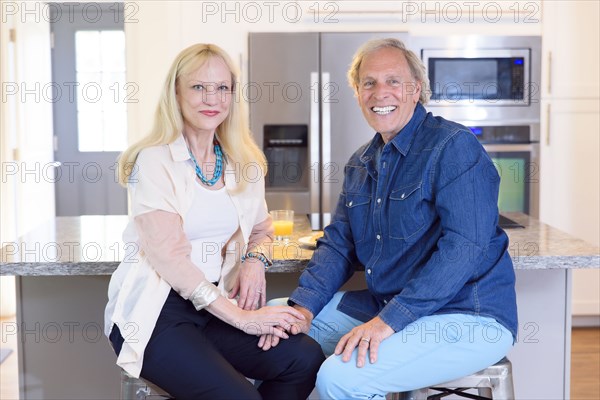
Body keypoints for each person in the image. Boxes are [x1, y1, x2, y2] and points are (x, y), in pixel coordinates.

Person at [284, 38, 518, 399]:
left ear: (416, 90)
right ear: (358, 93)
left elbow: (463, 250)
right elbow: (339, 245)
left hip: (466, 314)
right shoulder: (361, 163)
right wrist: (302, 309)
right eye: (369, 82)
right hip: (386, 307)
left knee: (339, 378)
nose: (381, 92)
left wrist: (389, 321)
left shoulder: (453, 146)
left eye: (394, 81)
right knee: (270, 327)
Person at [103, 43, 324, 400]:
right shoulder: (154, 162)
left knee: (304, 358)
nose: (212, 98)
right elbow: (170, 258)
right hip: (158, 314)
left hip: (215, 309)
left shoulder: (244, 162)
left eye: (222, 87)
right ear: (176, 91)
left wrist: (254, 261)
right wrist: (245, 319)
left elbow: (262, 231)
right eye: (198, 86)